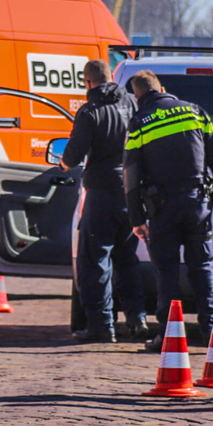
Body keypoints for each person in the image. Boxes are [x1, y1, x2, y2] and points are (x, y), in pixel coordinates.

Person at [122, 70, 213, 352]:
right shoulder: (195, 112)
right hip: (198, 204)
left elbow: (131, 175)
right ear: (162, 87)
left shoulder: (139, 123)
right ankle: (211, 332)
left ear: (138, 97)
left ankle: (169, 336)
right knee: (203, 268)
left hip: (162, 210)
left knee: (167, 272)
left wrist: (136, 219)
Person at [60, 59, 146, 343]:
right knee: (127, 259)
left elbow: (72, 156)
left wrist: (62, 163)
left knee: (95, 258)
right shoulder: (133, 105)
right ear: (111, 77)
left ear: (87, 82)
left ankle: (101, 325)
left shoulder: (90, 112)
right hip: (132, 193)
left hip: (101, 192)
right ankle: (137, 318)